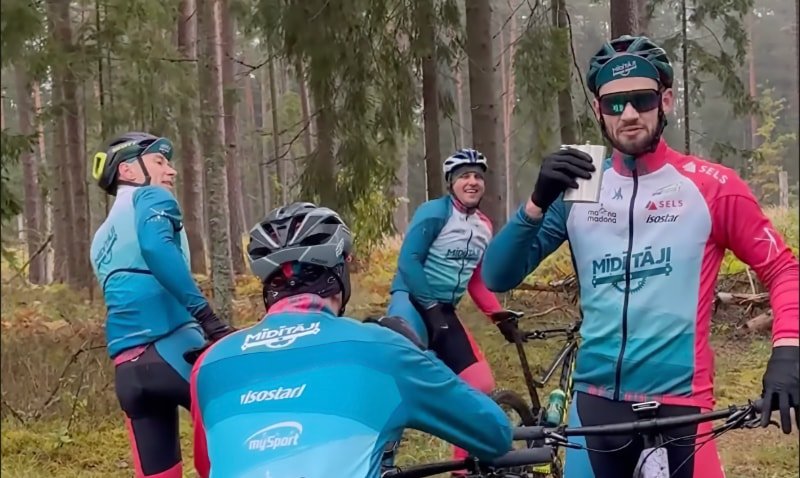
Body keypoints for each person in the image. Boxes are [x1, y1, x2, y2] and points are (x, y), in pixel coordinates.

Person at [481, 35, 799, 478]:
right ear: (598, 110)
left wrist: (787, 350)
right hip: (595, 410)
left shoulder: (712, 186)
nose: (628, 113)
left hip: (681, 408)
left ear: (665, 100)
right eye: (614, 104)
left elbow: (783, 268)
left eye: (642, 99)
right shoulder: (579, 190)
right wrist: (535, 204)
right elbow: (497, 275)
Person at [187, 202, 513, 478]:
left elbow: (208, 466)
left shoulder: (210, 363)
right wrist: (412, 350)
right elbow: (495, 434)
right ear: (340, 270)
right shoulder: (383, 349)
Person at [89, 132, 234, 478]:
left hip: (129, 372)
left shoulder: (99, 238)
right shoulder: (151, 197)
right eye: (159, 161)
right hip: (174, 348)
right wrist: (207, 318)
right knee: (233, 453)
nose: (171, 171)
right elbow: (156, 248)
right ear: (127, 170)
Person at [385, 148, 521, 467]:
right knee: (396, 381)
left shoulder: (484, 225)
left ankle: (463, 468)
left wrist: (498, 316)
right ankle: (380, 463)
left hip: (444, 309)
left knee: (480, 384)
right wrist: (430, 307)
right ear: (451, 183)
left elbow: (476, 279)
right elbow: (409, 261)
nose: (472, 182)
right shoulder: (434, 213)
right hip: (411, 302)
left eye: (477, 176)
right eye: (464, 176)